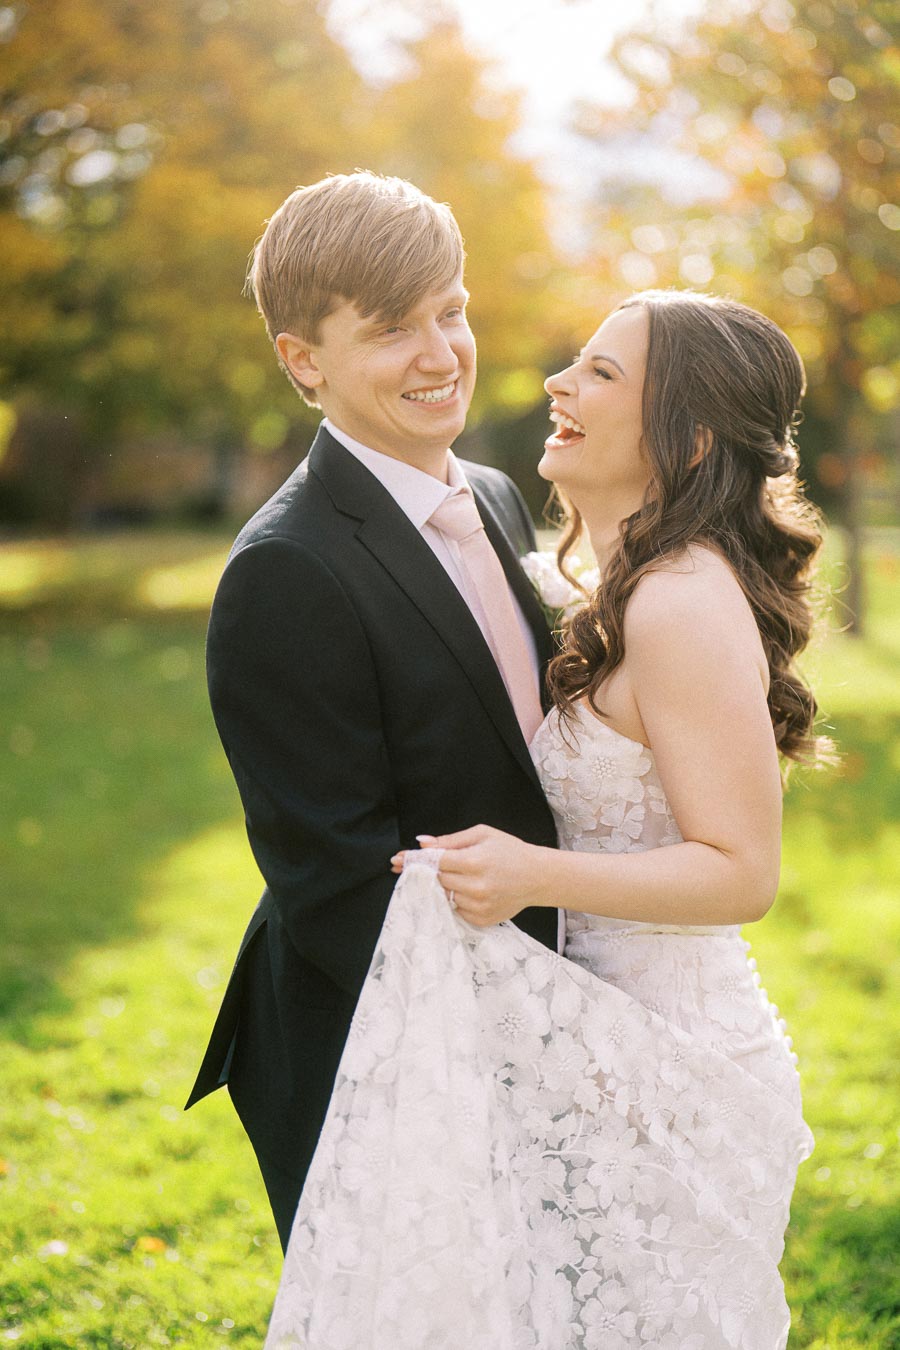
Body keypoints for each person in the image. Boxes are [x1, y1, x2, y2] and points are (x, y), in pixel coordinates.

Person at [265, 290, 822, 1349]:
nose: (559, 386)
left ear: (690, 436)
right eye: (576, 362)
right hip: (580, 1036)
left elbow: (741, 873)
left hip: (668, 1057)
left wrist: (530, 875)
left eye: (603, 374)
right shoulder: (611, 579)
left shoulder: (679, 601)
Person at [184, 171, 560, 1250]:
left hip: (533, 999)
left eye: (451, 309)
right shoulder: (286, 571)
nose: (441, 353)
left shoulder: (490, 493)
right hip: (383, 1043)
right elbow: (341, 879)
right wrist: (532, 1042)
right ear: (305, 361)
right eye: (393, 328)